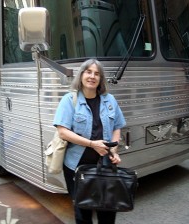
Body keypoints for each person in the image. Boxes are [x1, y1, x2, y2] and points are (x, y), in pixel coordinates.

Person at [53, 58, 126, 224]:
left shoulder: (110, 100)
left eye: (97, 74)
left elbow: (117, 126)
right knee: (83, 213)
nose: (92, 76)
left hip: (105, 165)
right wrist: (92, 144)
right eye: (89, 72)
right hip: (78, 168)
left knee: (107, 211)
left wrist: (113, 149)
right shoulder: (69, 100)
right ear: (81, 75)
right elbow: (63, 132)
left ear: (100, 79)